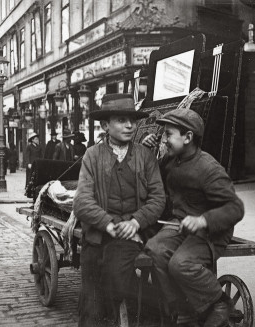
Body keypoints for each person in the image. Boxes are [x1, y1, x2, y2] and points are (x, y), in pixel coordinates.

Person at [142, 108, 244, 327]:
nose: (164, 139)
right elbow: (152, 182)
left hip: (210, 230)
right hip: (180, 224)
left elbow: (235, 208)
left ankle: (220, 302)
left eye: (169, 134)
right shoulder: (171, 160)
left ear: (188, 137)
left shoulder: (209, 169)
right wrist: (146, 151)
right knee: (155, 251)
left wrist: (203, 220)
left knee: (181, 264)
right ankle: (183, 310)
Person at [73, 93, 166, 326]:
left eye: (132, 121)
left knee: (117, 277)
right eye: (121, 120)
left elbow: (157, 198)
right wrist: (108, 224)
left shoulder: (145, 157)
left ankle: (152, 312)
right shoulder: (92, 156)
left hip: (131, 235)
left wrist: (135, 222)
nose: (130, 125)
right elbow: (82, 202)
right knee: (91, 305)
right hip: (97, 235)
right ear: (105, 125)